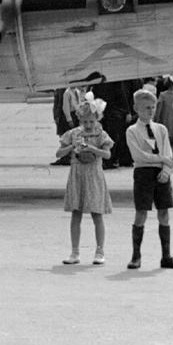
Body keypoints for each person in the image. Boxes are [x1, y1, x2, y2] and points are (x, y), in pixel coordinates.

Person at [126, 88, 173, 270]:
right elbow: (138, 156)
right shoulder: (132, 131)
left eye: (153, 107)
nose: (150, 111)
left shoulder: (161, 129)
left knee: (164, 213)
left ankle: (166, 256)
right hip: (143, 174)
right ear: (137, 109)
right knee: (141, 212)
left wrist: (166, 169)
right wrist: (161, 159)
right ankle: (136, 256)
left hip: (161, 174)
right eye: (146, 108)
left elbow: (168, 152)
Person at [58, 97, 112, 265]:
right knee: (76, 213)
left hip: (94, 174)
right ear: (79, 120)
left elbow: (108, 154)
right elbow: (58, 154)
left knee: (97, 213)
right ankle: (75, 252)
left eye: (91, 121)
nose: (88, 125)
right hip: (77, 175)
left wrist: (92, 149)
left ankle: (100, 251)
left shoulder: (101, 134)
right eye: (85, 121)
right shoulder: (74, 133)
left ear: (97, 119)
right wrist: (71, 147)